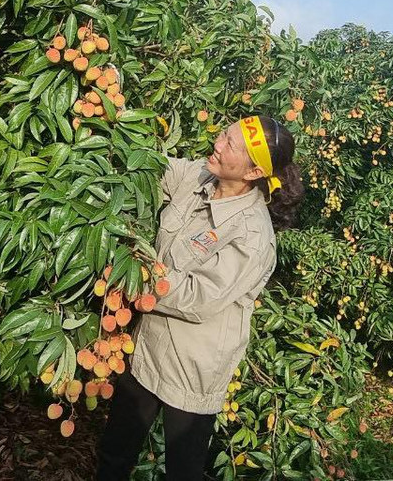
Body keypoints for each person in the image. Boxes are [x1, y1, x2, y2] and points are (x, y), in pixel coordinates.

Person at [96, 115, 303, 481]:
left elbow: (195, 296)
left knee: (183, 471)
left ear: (254, 171)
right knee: (114, 453)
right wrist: (112, 111)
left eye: (230, 145)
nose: (218, 144)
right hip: (146, 351)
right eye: (224, 134)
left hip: (192, 369)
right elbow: (151, 166)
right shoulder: (200, 176)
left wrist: (129, 275)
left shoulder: (251, 236)